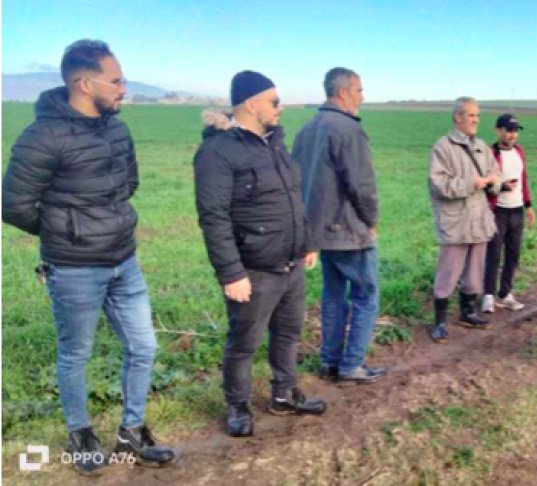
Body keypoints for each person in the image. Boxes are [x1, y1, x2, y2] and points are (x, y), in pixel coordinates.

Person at [1, 39, 175, 475]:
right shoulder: (43, 136)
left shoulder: (117, 128)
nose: (124, 88)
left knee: (143, 345)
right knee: (75, 353)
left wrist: (105, 221)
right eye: (116, 80)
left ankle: (131, 432)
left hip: (124, 260)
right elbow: (13, 203)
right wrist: (69, 231)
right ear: (83, 83)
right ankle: (81, 434)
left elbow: (127, 181)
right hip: (75, 266)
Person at [194, 71, 325, 438]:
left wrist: (308, 242)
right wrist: (231, 274)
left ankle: (284, 395)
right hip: (254, 269)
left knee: (288, 333)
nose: (280, 108)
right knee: (244, 342)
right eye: (274, 101)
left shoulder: (275, 143)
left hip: (292, 262)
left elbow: (294, 198)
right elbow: (213, 217)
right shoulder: (217, 152)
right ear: (252, 104)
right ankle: (237, 405)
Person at [292, 67, 387, 384]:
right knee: (366, 296)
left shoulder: (307, 129)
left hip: (318, 232)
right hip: (349, 231)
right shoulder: (348, 129)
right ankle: (352, 364)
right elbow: (361, 184)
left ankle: (330, 360)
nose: (363, 96)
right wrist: (371, 220)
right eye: (360, 90)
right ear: (344, 91)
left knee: (333, 295)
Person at [428, 97, 507, 342]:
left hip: (479, 219)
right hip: (456, 221)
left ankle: (467, 312)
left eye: (477, 116)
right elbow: (437, 184)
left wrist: (496, 182)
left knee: (475, 273)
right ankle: (439, 321)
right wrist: (470, 184)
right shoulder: (443, 147)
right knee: (448, 272)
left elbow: (497, 173)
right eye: (471, 115)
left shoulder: (482, 146)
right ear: (457, 117)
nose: (475, 120)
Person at [481, 113, 536, 313]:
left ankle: (505, 294)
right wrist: (500, 187)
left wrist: (528, 205)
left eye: (515, 131)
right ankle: (488, 295)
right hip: (498, 211)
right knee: (493, 254)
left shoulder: (519, 152)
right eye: (508, 130)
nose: (512, 135)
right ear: (498, 131)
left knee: (513, 255)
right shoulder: (490, 152)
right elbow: (484, 182)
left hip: (517, 211)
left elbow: (524, 178)